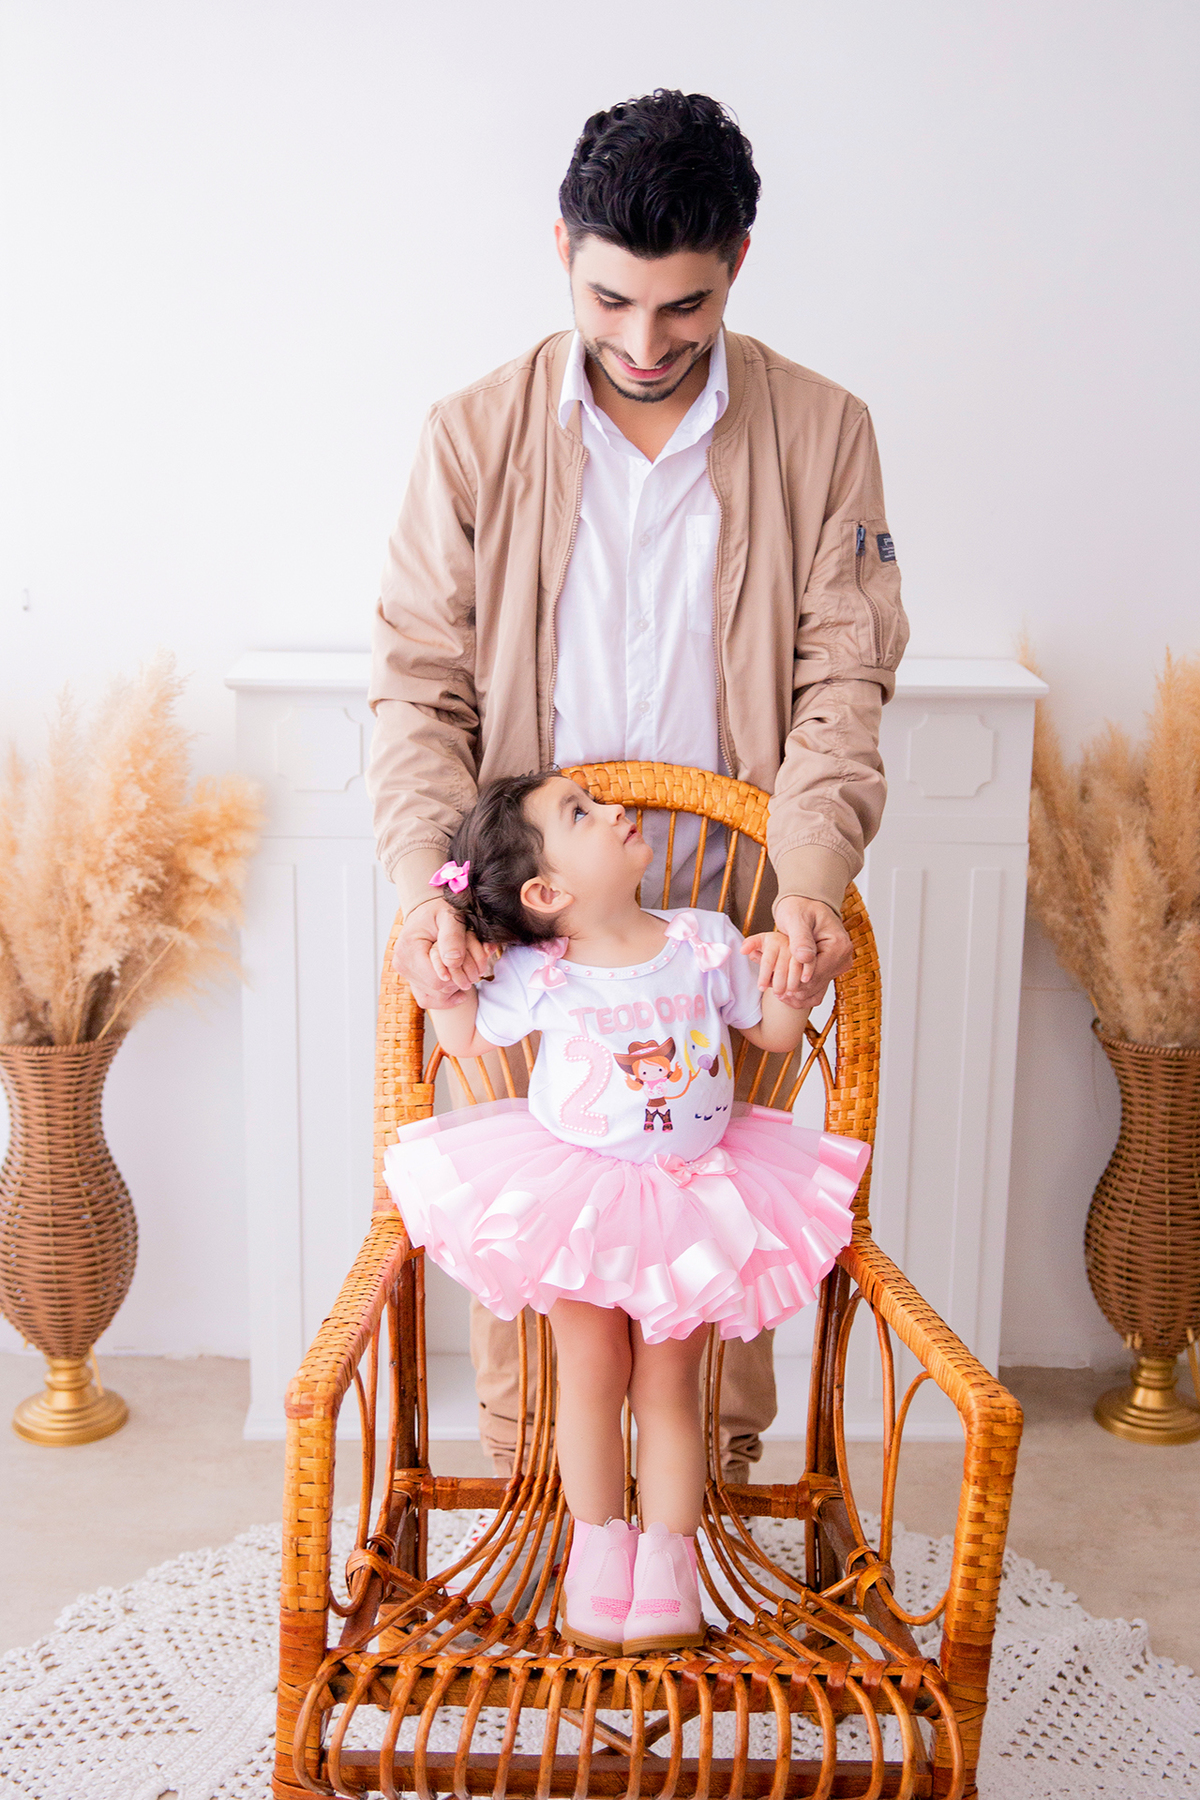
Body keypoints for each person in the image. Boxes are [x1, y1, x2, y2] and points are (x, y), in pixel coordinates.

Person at [368, 90, 908, 1480]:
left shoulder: (825, 428)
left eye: (686, 306)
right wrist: (442, 890)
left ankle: (696, 1561)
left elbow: (842, 684)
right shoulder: (470, 433)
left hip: (730, 916)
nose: (645, 342)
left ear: (740, 257)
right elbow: (420, 684)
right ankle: (547, 1543)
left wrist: (806, 892)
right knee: (540, 1279)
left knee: (712, 1287)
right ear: (560, 245)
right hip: (535, 914)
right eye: (612, 299)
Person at [382, 771, 870, 1651]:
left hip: (691, 1198)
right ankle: (600, 1553)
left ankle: (669, 1563)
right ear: (546, 893)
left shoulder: (702, 940)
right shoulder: (538, 970)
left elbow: (771, 1036)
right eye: (580, 813)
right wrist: (448, 976)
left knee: (669, 1389)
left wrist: (796, 984)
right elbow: (458, 1043)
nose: (612, 809)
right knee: (592, 1377)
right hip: (579, 1199)